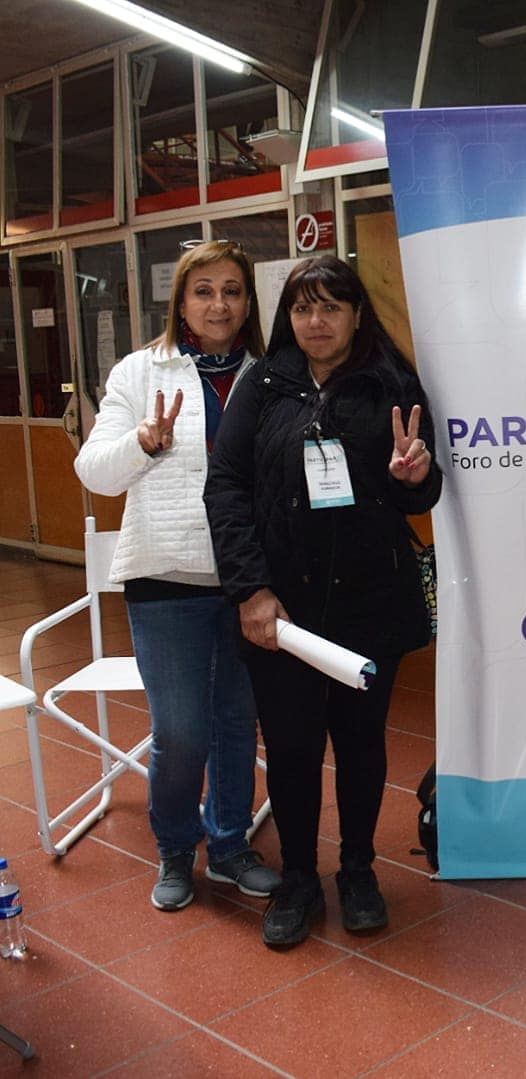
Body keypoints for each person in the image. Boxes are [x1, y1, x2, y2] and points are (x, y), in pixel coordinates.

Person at [204, 255, 441, 948]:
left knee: (362, 744)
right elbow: (226, 487)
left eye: (331, 306)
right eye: (303, 307)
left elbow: (420, 495)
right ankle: (300, 879)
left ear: (357, 314)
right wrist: (250, 590)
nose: (316, 321)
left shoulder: (393, 383)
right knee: (292, 746)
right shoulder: (264, 384)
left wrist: (413, 478)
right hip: (283, 610)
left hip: (370, 603)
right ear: (288, 316)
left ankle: (359, 871)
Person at [74, 239, 280, 912]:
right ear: (181, 302)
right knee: (182, 730)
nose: (219, 304)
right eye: (204, 291)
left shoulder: (268, 374)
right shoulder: (140, 371)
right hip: (164, 576)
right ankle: (173, 848)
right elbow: (94, 471)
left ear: (248, 303)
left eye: (232, 291)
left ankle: (230, 846)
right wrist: (143, 442)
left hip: (248, 580)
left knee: (235, 722)